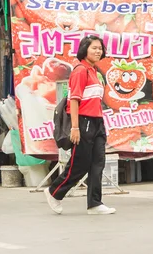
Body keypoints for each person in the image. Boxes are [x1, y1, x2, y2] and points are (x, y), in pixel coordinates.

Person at [44, 35, 116, 215]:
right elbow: (73, 100)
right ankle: (54, 192)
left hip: (97, 122)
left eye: (100, 48)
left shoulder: (94, 71)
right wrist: (75, 128)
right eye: (94, 48)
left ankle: (95, 203)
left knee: (98, 163)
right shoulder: (80, 70)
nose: (98, 51)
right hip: (83, 122)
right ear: (85, 49)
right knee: (80, 163)